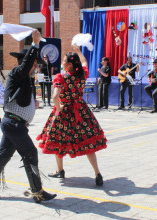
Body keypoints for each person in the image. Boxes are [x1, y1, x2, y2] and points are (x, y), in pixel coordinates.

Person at [0, 30, 56, 203]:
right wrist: (34, 43)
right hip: (14, 125)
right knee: (30, 153)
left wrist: (33, 104)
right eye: (33, 63)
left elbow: (21, 97)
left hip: (13, 124)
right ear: (28, 63)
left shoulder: (23, 78)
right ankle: (37, 191)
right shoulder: (18, 72)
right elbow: (25, 65)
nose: (35, 67)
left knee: (3, 156)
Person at [38, 45, 108, 186]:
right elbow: (84, 63)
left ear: (69, 65)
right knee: (88, 141)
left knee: (59, 139)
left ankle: (60, 170)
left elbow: (55, 97)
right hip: (81, 111)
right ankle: (97, 173)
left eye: (64, 61)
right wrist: (78, 51)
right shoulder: (82, 74)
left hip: (64, 112)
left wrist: (59, 108)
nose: (62, 63)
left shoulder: (61, 77)